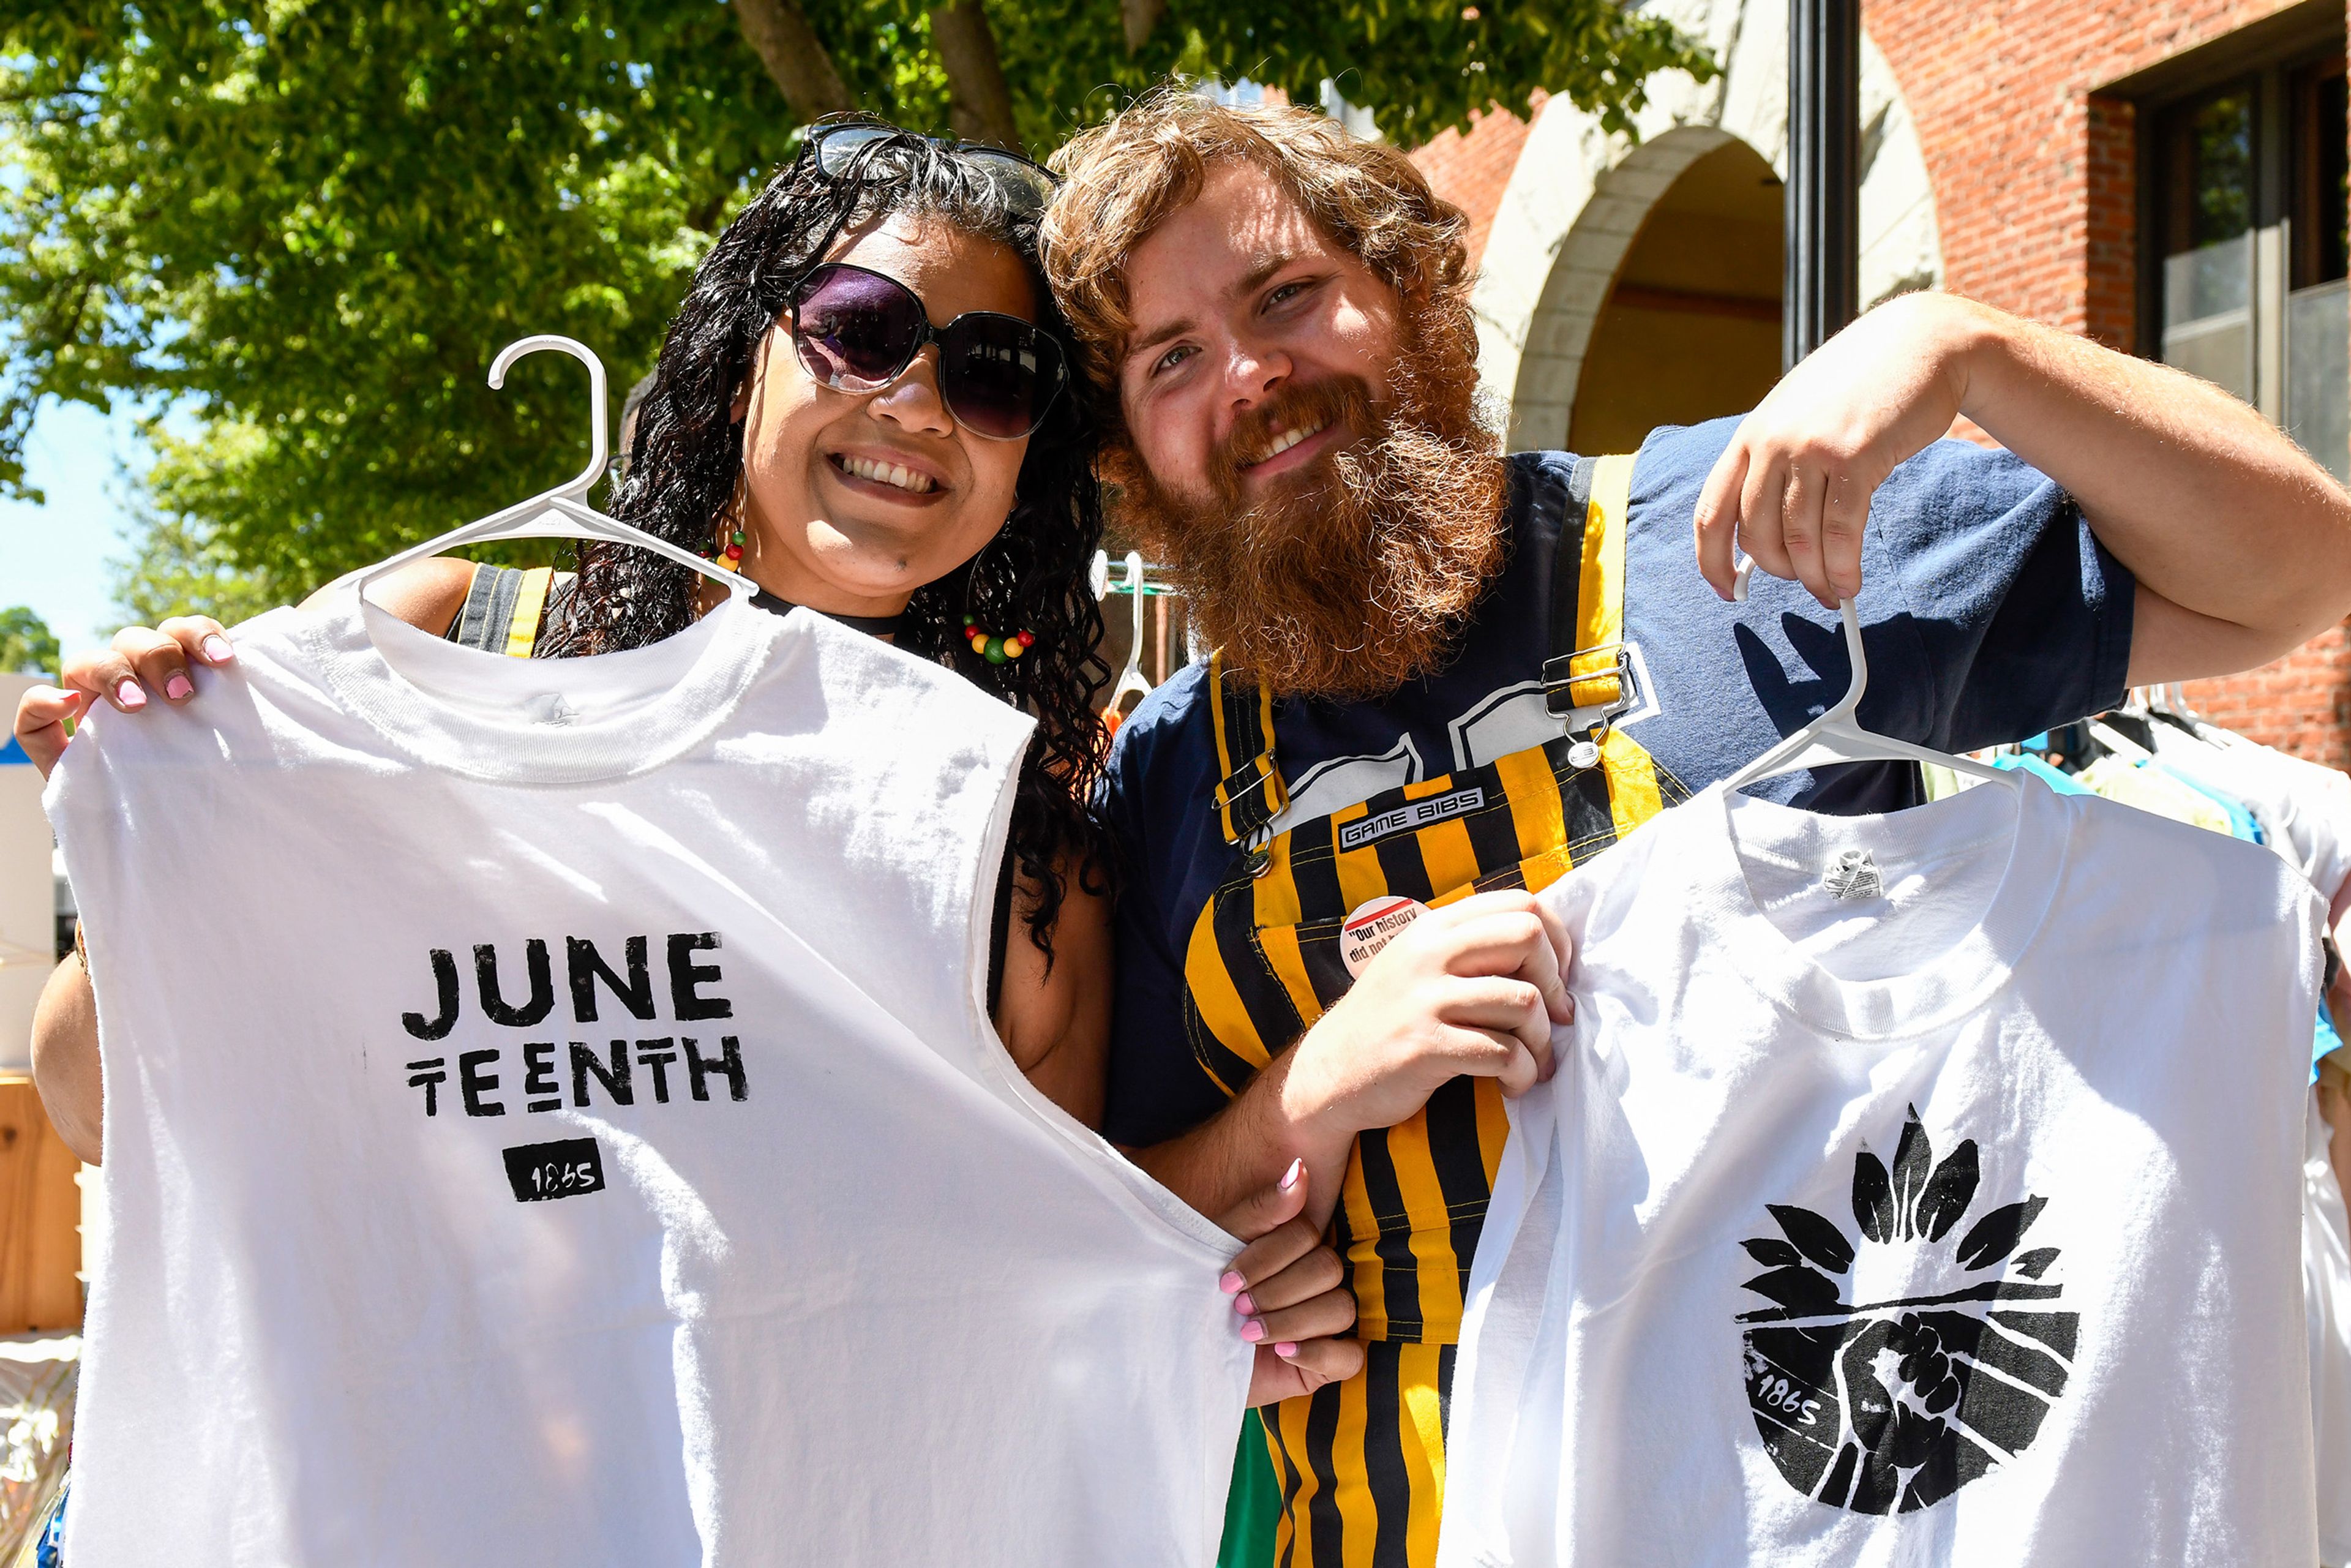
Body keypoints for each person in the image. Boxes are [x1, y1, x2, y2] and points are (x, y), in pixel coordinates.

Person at [1034, 90, 2351, 1564]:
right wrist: (1307, 1093)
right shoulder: (1155, 788)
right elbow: (1092, 1249)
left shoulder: (1729, 548)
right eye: (1174, 359)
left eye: (1289, 294)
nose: (1255, 373)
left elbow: (2290, 578)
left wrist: (1967, 350)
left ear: (1406, 294)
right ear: (1136, 460)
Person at [14, 118, 1368, 1409]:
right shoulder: (456, 641)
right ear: (740, 360)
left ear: (1031, 461)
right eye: (857, 328)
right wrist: (191, 820)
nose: (913, 401)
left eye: (994, 372)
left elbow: (1030, 1308)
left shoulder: (1028, 881)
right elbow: (90, 1100)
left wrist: (1216, 1307)